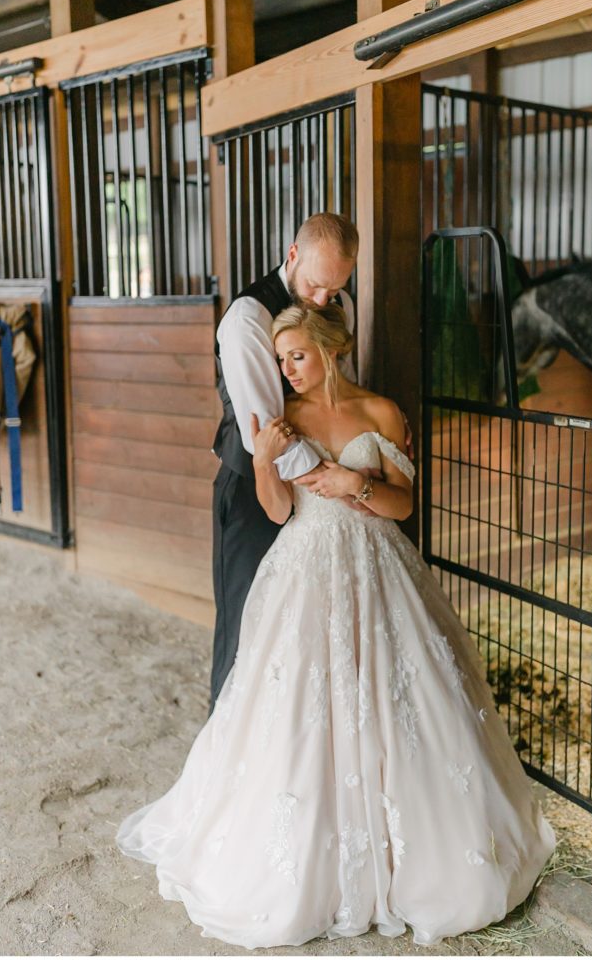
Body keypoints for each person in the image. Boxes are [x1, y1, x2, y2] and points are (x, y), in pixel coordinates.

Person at [117, 304, 556, 949]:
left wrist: (358, 482)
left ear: (330, 350)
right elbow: (275, 509)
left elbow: (403, 506)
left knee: (400, 699)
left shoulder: (381, 412)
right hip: (304, 569)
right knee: (302, 706)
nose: (287, 370)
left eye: (297, 355)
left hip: (380, 569)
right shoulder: (283, 418)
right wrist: (265, 459)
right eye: (280, 359)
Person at [210, 212, 358, 711]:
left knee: (302, 645)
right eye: (316, 285)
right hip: (258, 492)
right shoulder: (247, 318)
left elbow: (341, 393)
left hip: (319, 503)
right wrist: (340, 483)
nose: (323, 301)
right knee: (246, 637)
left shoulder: (340, 305)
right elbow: (263, 436)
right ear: (292, 256)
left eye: (335, 290)